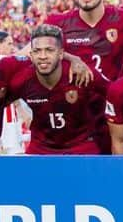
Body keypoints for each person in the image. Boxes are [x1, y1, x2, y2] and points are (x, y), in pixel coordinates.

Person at [45, 0, 123, 150]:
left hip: (115, 115)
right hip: (74, 119)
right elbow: (33, 52)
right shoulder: (58, 22)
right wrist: (70, 57)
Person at [6, 25, 102, 155]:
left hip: (81, 146)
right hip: (41, 149)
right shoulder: (23, 79)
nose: (43, 56)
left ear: (61, 53)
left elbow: (114, 93)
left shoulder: (81, 73)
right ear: (31, 55)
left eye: (49, 50)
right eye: (37, 51)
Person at [0, 30, 26, 155]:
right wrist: (21, 110)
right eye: (9, 44)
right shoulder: (5, 61)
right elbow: (11, 89)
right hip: (6, 112)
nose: (12, 47)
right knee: (14, 152)